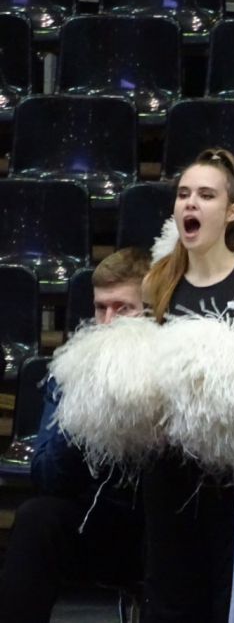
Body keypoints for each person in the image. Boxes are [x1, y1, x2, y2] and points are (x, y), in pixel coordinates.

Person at [140, 148, 234, 623]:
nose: (190, 204)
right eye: (183, 194)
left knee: (233, 601)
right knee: (171, 601)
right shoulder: (157, 281)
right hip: (168, 468)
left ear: (232, 212)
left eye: (206, 195)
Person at [0, 247, 151, 623]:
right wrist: (82, 412)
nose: (108, 322)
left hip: (163, 526)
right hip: (101, 522)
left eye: (124, 308)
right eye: (101, 309)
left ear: (151, 310)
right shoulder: (72, 368)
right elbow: (47, 478)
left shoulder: (172, 362)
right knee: (37, 519)